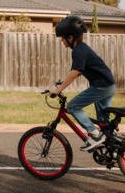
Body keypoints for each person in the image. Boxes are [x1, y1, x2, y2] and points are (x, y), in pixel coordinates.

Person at [49, 15, 116, 151]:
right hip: (108, 86)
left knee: (73, 106)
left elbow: (74, 72)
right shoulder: (82, 48)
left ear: (70, 37)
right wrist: (63, 83)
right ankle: (115, 152)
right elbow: (81, 70)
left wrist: (58, 90)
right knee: (104, 123)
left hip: (101, 87)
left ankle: (95, 135)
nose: (61, 40)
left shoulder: (78, 51)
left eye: (62, 37)